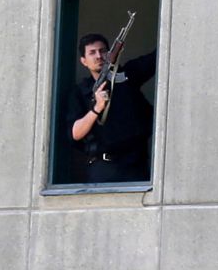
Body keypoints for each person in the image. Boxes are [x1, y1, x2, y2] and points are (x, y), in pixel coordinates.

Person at [66, 33, 156, 183]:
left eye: (103, 51)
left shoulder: (128, 76)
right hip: (103, 168)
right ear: (84, 61)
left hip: (135, 165)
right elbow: (75, 133)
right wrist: (97, 108)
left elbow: (158, 58)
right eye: (92, 52)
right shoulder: (80, 92)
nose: (99, 56)